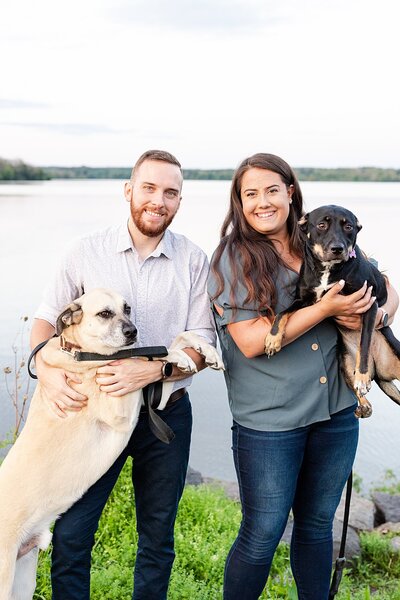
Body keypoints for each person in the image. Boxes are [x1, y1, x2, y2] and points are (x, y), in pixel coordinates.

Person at [208, 153, 399, 600]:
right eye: (250, 193)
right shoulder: (233, 258)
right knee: (262, 534)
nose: (262, 202)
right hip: (270, 420)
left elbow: (388, 291)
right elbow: (253, 341)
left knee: (317, 527)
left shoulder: (330, 237)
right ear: (239, 201)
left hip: (335, 411)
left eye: (272, 190)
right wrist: (329, 309)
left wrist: (370, 318)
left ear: (290, 193)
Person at [30, 149, 216, 600]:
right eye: (149, 188)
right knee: (72, 533)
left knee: (157, 539)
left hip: (164, 415)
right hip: (91, 416)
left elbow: (203, 341)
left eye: (171, 192)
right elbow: (44, 319)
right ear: (129, 190)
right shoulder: (83, 251)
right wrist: (43, 366)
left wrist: (149, 370)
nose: (159, 200)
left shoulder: (193, 259)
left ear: (179, 200)